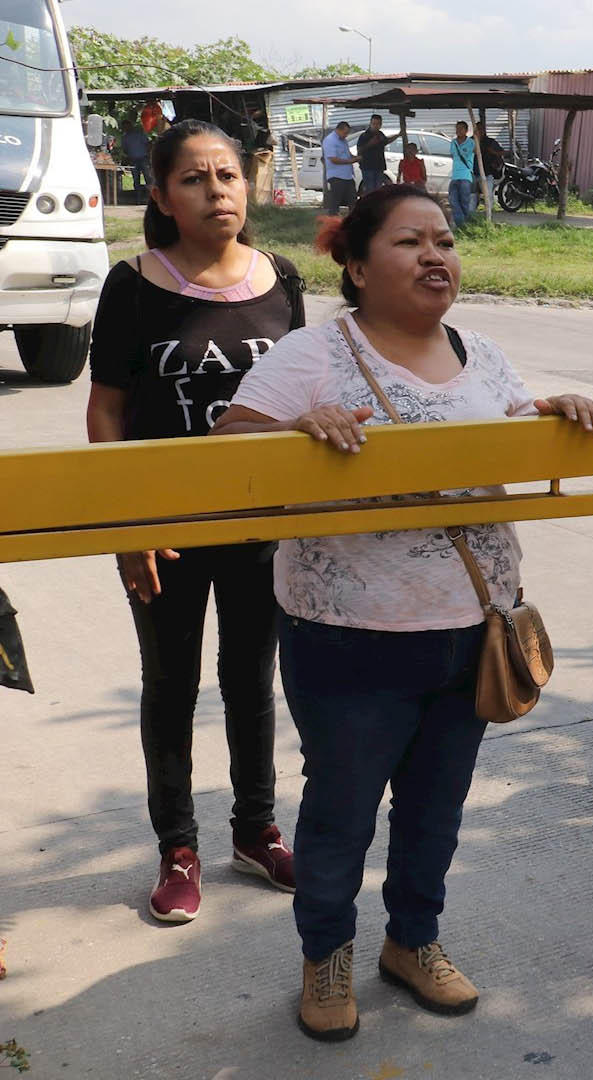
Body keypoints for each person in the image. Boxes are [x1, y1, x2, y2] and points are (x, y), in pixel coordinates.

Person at [210, 184, 593, 1041]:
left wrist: (552, 416)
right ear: (356, 267)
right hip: (347, 640)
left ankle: (412, 942)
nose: (436, 255)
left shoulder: (483, 354)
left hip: (472, 633)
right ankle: (327, 959)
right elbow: (225, 445)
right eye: (409, 242)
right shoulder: (313, 355)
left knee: (435, 810)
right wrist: (294, 428)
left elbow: (512, 434)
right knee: (341, 815)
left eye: (446, 241)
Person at [85, 119, 307, 925]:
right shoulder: (132, 284)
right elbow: (106, 411)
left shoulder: (282, 277)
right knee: (170, 685)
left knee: (252, 681)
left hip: (259, 526)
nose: (218, 191)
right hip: (166, 528)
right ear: (161, 195)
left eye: (229, 175)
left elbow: (300, 394)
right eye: (195, 179)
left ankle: (256, 831)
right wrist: (128, 527)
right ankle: (177, 849)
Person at [320, 120, 357, 214]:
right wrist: (350, 161)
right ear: (339, 130)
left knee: (353, 199)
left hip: (348, 175)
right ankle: (332, 218)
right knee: (336, 201)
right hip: (336, 176)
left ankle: (353, 218)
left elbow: (348, 154)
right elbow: (333, 159)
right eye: (345, 133)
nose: (346, 135)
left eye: (347, 133)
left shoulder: (343, 141)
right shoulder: (330, 140)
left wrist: (356, 158)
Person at [355, 114, 396, 192]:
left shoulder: (380, 134)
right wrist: (370, 144)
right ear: (370, 123)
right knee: (370, 189)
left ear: (381, 124)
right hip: (368, 167)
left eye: (378, 124)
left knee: (378, 190)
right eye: (374, 123)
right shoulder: (364, 135)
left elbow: (386, 141)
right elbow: (359, 150)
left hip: (379, 166)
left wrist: (397, 135)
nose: (376, 126)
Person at [448, 121, 477, 227]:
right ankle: (460, 222)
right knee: (452, 200)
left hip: (466, 176)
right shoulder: (453, 142)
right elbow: (453, 156)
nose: (458, 131)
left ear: (466, 130)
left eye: (460, 128)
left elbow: (476, 152)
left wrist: (477, 138)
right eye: (457, 128)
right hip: (455, 176)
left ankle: (466, 223)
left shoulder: (471, 142)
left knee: (464, 201)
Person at [121, 123, 150, 198]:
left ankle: (151, 196)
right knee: (136, 178)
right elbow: (125, 149)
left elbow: (148, 144)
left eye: (126, 126)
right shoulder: (125, 137)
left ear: (131, 126)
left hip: (143, 158)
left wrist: (148, 155)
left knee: (148, 177)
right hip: (133, 159)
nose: (125, 128)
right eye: (124, 127)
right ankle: (138, 197)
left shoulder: (140, 134)